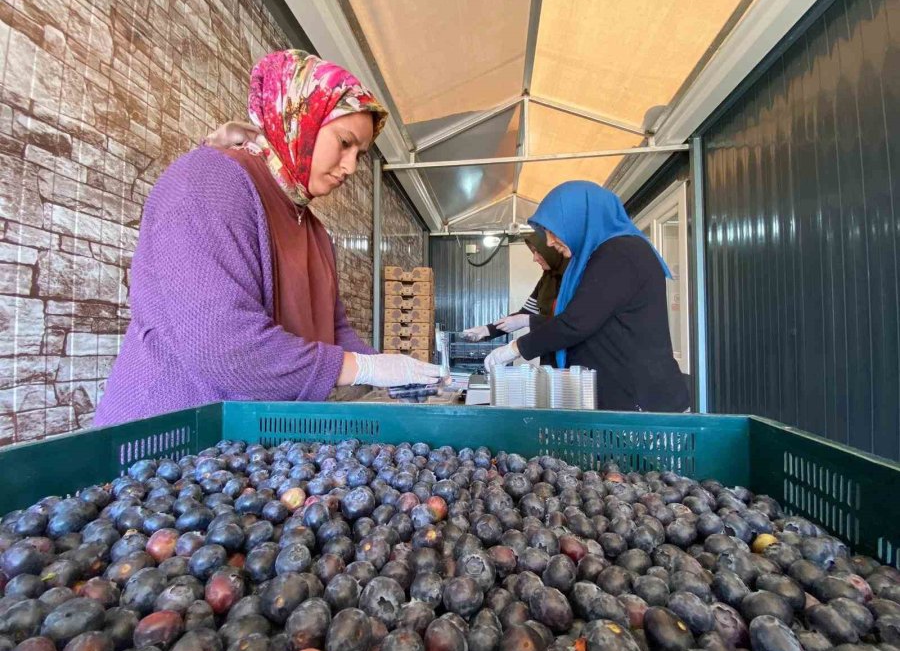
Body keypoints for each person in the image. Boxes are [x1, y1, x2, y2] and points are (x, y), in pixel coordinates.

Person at [95, 50, 440, 426]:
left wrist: (387, 372)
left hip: (256, 445)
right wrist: (361, 368)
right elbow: (223, 344)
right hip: (176, 437)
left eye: (360, 152)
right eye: (344, 142)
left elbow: (333, 329)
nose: (351, 166)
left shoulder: (313, 230)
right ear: (300, 119)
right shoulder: (210, 181)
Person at [483, 181, 689, 413]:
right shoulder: (599, 256)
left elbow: (576, 322)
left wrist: (514, 348)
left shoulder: (621, 253)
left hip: (640, 405)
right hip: (623, 400)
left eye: (552, 230)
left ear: (578, 218)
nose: (549, 242)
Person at [461, 231, 568, 366]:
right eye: (533, 252)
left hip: (571, 357)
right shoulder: (546, 279)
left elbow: (570, 323)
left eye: (538, 252)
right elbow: (526, 312)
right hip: (548, 354)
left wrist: (526, 322)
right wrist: (487, 330)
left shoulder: (573, 279)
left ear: (551, 250)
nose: (535, 258)